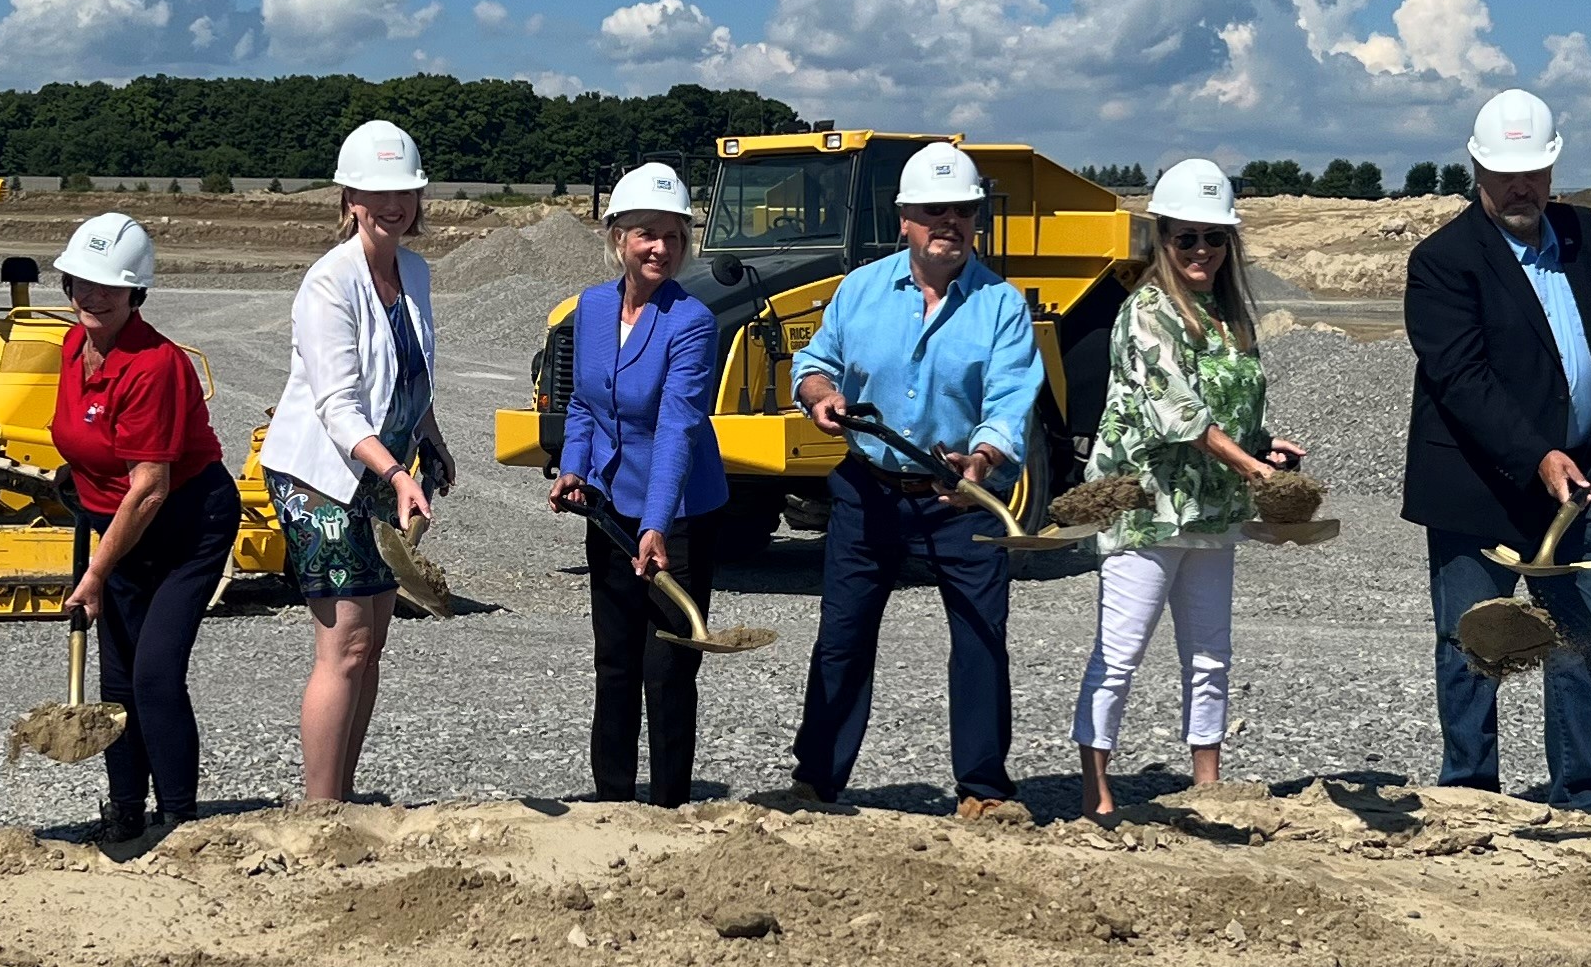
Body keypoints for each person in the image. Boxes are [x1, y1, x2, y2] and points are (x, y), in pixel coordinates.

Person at [1403, 87, 1591, 812]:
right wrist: (1540, 455)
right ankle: (1471, 795)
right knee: (1473, 645)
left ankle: (1580, 791)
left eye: (1534, 173)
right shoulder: (1443, 261)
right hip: (1480, 489)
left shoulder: (1582, 234)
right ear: (1476, 168)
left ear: (1553, 169)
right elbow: (1463, 379)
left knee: (1578, 639)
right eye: (1506, 173)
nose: (1521, 188)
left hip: (1574, 484)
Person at [779, 141, 1042, 821]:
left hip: (961, 499)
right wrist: (818, 393)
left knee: (981, 638)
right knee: (842, 637)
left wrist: (980, 463)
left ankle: (983, 788)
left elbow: (1010, 401)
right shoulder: (861, 289)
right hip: (867, 490)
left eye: (962, 211)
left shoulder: (1001, 306)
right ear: (904, 218)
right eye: (933, 211)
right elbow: (814, 359)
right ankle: (816, 783)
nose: (948, 223)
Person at [1069, 157, 1302, 819]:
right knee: (1121, 653)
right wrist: (1253, 469)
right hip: (1146, 507)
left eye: (1214, 237)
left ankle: (1208, 783)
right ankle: (1097, 793)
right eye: (1186, 237)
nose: (1201, 250)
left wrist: (1264, 447)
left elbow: (1232, 409)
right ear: (1162, 240)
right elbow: (1180, 412)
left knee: (1209, 652)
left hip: (1211, 505)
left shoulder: (1229, 317)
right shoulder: (1145, 313)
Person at [259, 117, 449, 804]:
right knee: (343, 646)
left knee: (372, 645)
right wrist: (397, 474)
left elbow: (408, 371)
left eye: (404, 191)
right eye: (375, 192)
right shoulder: (327, 284)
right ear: (348, 198)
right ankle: (321, 805)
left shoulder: (416, 270)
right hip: (322, 479)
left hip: (379, 476)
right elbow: (339, 407)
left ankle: (342, 791)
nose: (391, 204)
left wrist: (428, 438)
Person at [48, 209, 233, 842]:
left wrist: (96, 572)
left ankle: (180, 818)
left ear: (136, 292)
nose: (92, 297)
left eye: (108, 286)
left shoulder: (154, 365)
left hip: (185, 524)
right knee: (116, 678)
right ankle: (125, 807)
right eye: (81, 283)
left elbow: (149, 488)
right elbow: (85, 442)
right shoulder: (76, 345)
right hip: (115, 522)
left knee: (154, 674)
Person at [547, 160, 727, 806]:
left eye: (673, 235)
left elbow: (679, 426)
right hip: (612, 509)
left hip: (678, 514)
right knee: (615, 661)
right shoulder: (592, 309)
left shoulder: (691, 322)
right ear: (617, 236)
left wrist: (656, 526)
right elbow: (583, 406)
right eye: (647, 233)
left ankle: (670, 803)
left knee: (668, 666)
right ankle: (612, 800)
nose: (661, 248)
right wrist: (574, 468)